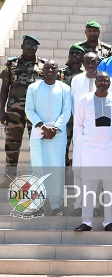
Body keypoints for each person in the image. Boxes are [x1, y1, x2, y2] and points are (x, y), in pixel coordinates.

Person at [72, 71, 112, 232]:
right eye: (100, 80)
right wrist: (92, 139)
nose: (102, 83)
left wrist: (108, 138)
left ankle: (109, 221)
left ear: (110, 82)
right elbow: (78, 124)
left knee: (110, 190)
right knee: (88, 190)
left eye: (106, 80)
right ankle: (87, 222)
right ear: (95, 82)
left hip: (111, 151)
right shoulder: (85, 100)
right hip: (90, 151)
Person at [24, 59, 72, 215]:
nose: (50, 69)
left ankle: (56, 205)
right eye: (47, 67)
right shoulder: (33, 87)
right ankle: (35, 204)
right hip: (39, 131)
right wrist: (43, 127)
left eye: (54, 67)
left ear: (58, 71)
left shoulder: (65, 88)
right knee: (37, 167)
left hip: (58, 134)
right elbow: (29, 110)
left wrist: (55, 128)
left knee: (56, 168)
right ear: (42, 70)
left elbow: (67, 111)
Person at [0, 35, 45, 186]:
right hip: (14, 112)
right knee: (12, 145)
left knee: (38, 146)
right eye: (28, 46)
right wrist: (1, 109)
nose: (31, 49)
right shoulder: (11, 64)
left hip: (36, 113)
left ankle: (36, 177)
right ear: (22, 46)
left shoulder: (43, 65)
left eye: (34, 47)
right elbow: (5, 88)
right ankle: (9, 177)